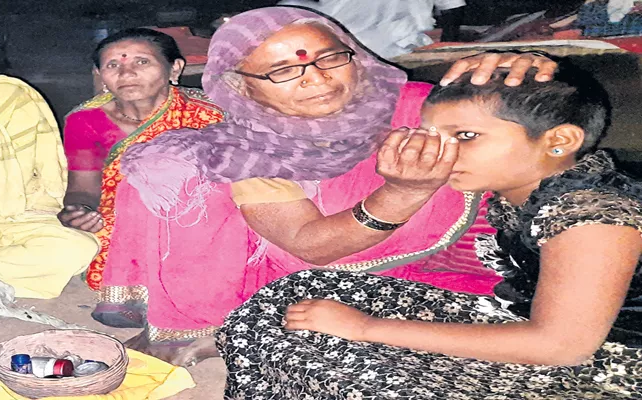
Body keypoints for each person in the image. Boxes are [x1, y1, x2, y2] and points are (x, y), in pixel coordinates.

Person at [105, 7, 558, 367]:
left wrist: (528, 73)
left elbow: (544, 123)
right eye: (282, 71)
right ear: (239, 87)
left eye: (329, 57)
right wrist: (403, 192)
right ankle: (209, 318)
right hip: (327, 258)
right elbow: (311, 245)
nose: (317, 78)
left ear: (354, 54)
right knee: (183, 175)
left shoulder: (425, 104)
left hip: (467, 258)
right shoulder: (251, 150)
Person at [217, 65, 642, 399]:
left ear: (559, 140)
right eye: (434, 135)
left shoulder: (594, 214)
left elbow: (561, 346)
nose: (441, 150)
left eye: (466, 136)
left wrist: (367, 328)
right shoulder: (524, 187)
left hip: (609, 368)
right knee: (291, 300)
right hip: (526, 319)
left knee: (348, 370)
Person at [57, 28, 225, 310]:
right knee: (95, 244)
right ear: (100, 75)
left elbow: (227, 181)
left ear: (175, 68)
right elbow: (82, 189)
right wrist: (78, 212)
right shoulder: (86, 121)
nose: (126, 73)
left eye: (141, 62)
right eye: (113, 65)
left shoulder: (210, 114)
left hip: (197, 209)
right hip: (123, 213)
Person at [0, 23, 99, 299]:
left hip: (10, 217)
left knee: (78, 248)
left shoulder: (13, 95)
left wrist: (55, 209)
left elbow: (45, 170)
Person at [277, 0, 467, 58]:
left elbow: (454, 7)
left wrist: (446, 45)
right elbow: (453, 8)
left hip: (404, 38)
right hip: (345, 34)